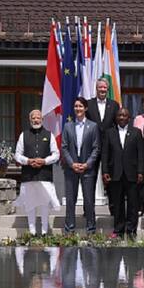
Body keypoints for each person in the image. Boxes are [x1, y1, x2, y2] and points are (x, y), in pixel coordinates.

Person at [14, 110, 61, 236]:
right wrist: (28, 161)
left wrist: (44, 161)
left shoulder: (49, 135)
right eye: (33, 118)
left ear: (42, 119)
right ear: (30, 120)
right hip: (28, 175)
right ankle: (32, 232)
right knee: (30, 204)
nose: (36, 120)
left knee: (44, 204)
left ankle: (45, 232)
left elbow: (56, 154)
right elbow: (17, 155)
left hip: (44, 175)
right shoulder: (23, 135)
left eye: (38, 118)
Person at [102, 108, 144, 239]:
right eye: (119, 115)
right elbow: (105, 154)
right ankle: (119, 230)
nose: (122, 117)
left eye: (124, 115)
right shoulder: (109, 133)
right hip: (115, 173)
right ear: (116, 117)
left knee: (133, 203)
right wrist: (105, 171)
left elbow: (141, 154)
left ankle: (131, 230)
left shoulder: (136, 133)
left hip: (131, 174)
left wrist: (140, 171)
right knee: (117, 203)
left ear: (129, 118)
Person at [61, 97, 100, 235]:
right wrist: (72, 164)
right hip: (71, 170)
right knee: (70, 201)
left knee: (89, 201)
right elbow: (64, 147)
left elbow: (96, 148)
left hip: (87, 169)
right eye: (76, 106)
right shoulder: (68, 126)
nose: (78, 109)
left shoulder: (93, 126)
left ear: (86, 108)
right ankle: (69, 230)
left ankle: (91, 230)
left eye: (80, 106)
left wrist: (87, 164)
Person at [86, 77, 120, 212]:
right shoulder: (89, 104)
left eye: (105, 88)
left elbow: (117, 126)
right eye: (100, 87)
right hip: (92, 147)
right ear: (96, 88)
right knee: (90, 179)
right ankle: (88, 209)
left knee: (111, 179)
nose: (102, 90)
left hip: (109, 148)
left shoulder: (115, 105)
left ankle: (113, 208)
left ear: (108, 89)